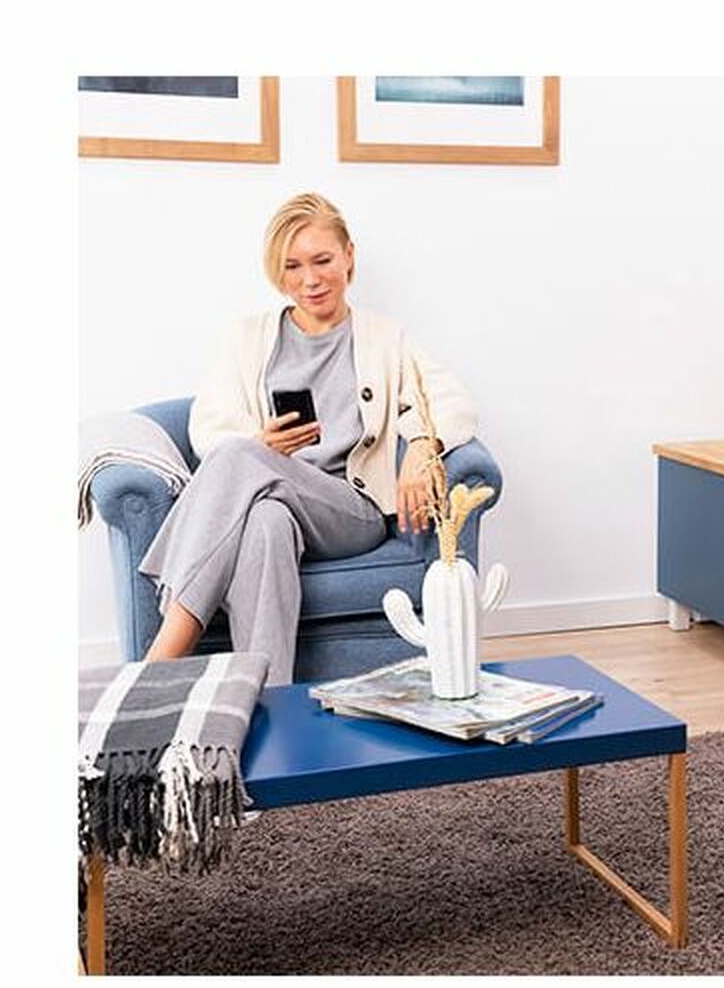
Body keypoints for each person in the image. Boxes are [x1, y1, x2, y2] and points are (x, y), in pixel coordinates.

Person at [139, 193, 477, 685]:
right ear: (277, 273)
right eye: (293, 266)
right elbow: (206, 428)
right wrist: (263, 444)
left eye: (323, 260)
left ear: (348, 257)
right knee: (265, 521)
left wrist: (423, 446)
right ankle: (269, 698)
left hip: (350, 512)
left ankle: (162, 657)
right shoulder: (246, 338)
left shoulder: (385, 337)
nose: (311, 279)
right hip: (273, 500)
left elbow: (452, 400)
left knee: (240, 457)